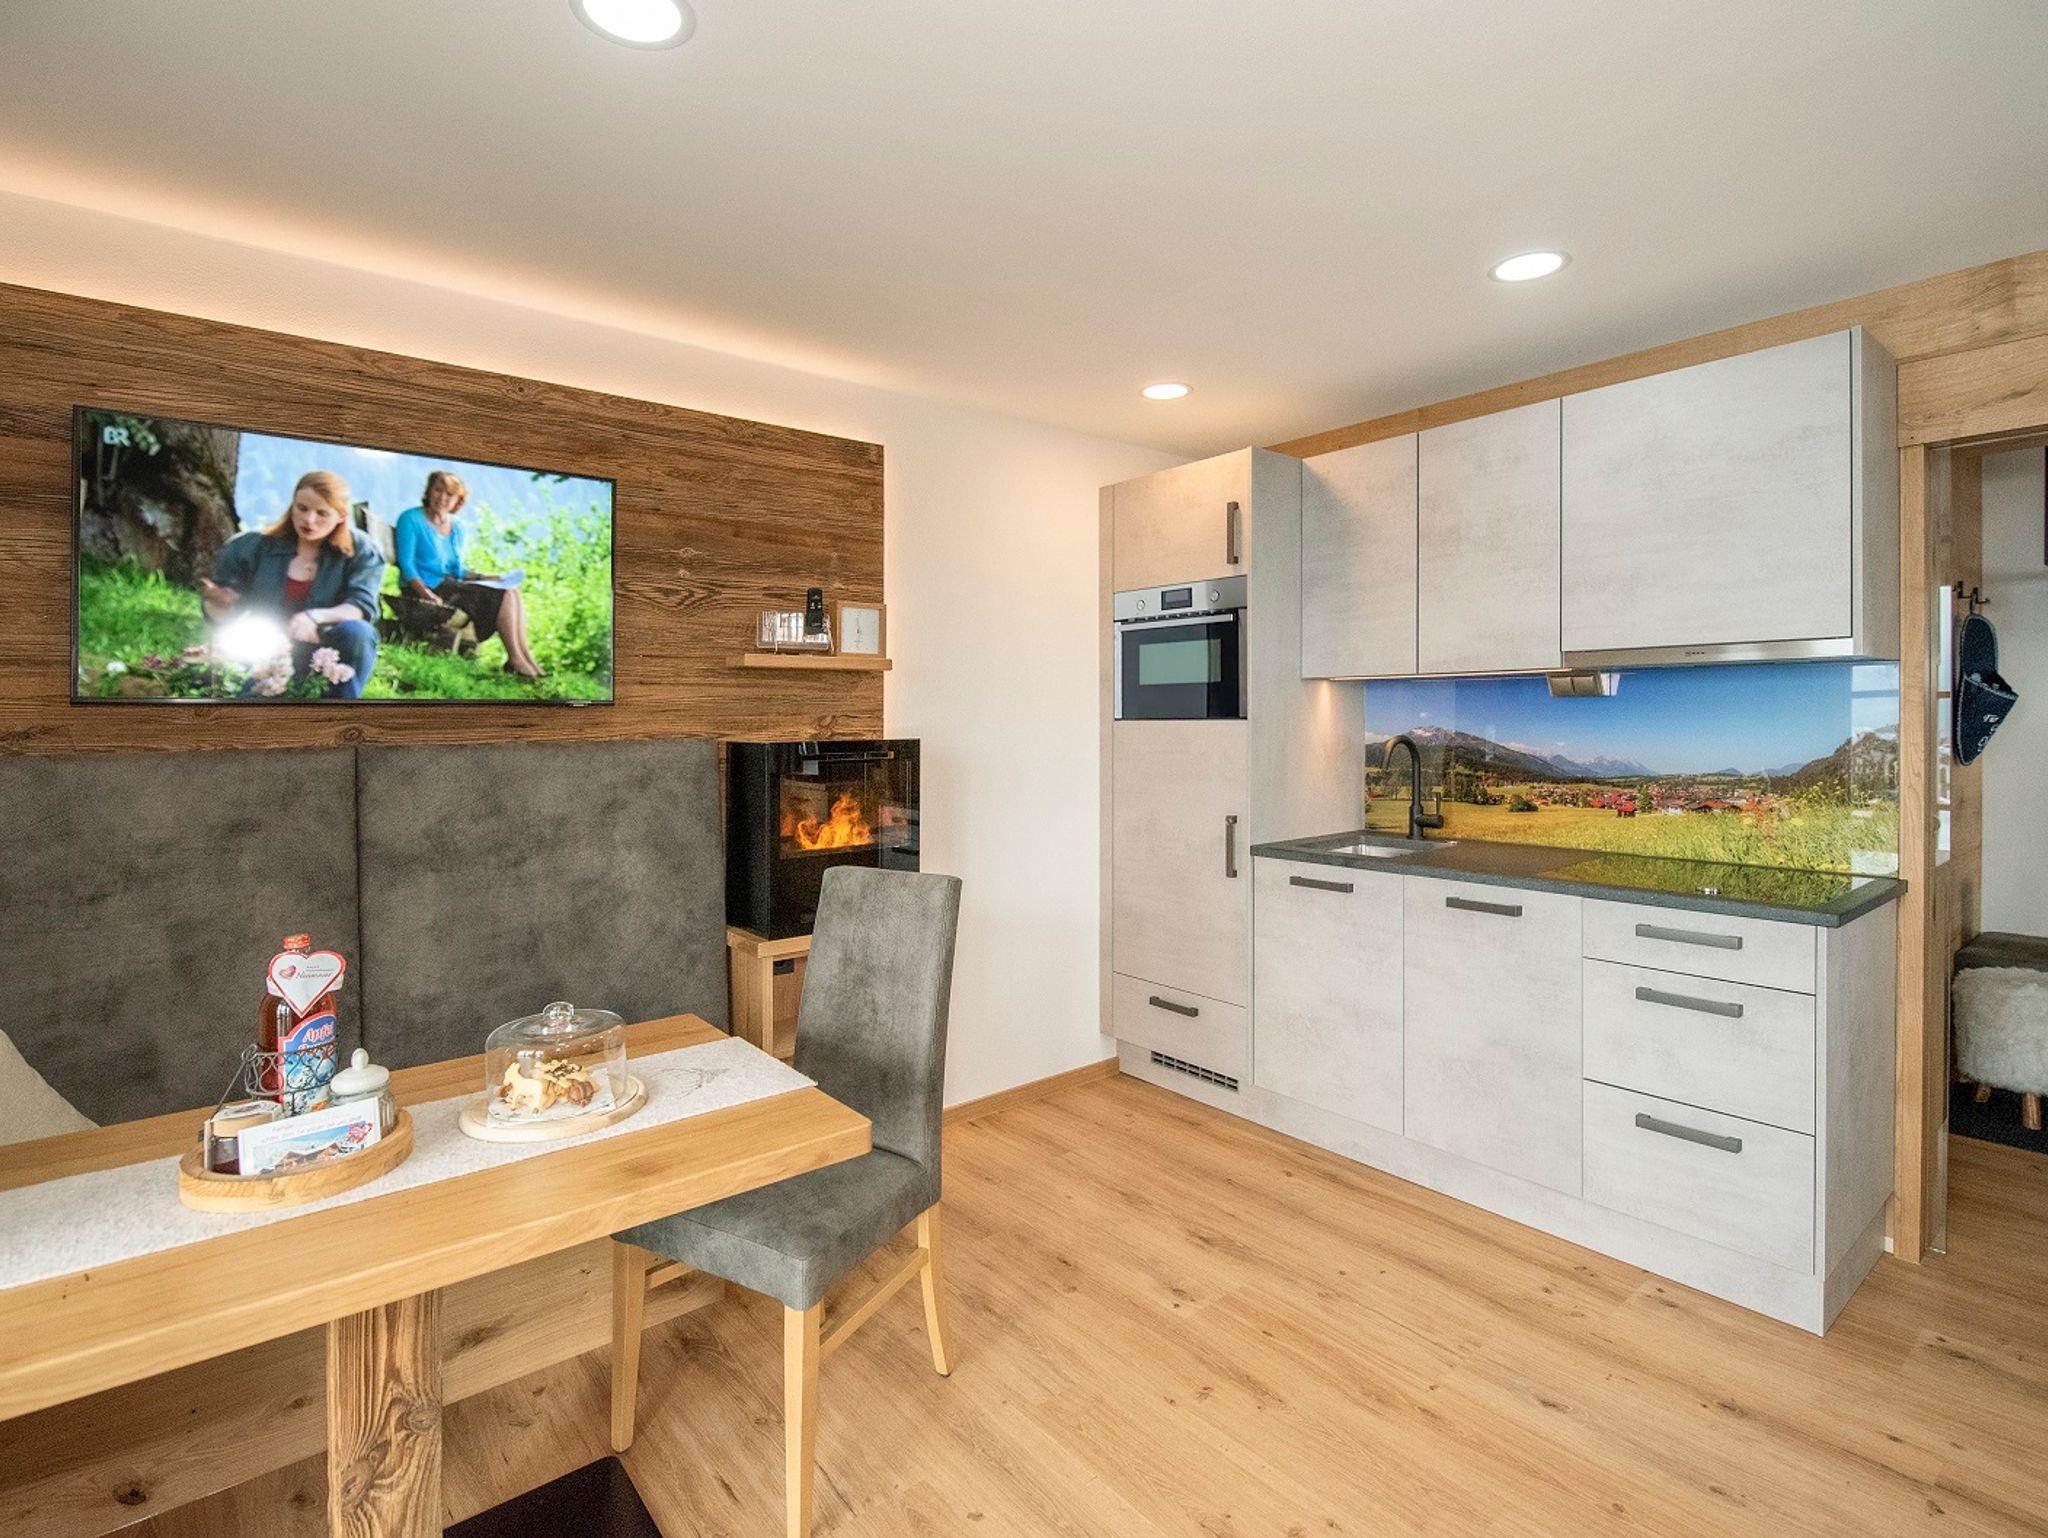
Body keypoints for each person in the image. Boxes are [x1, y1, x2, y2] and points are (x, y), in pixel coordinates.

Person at [199, 470, 382, 699]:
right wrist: (217, 606)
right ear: (292, 505)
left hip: (325, 651)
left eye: (322, 513)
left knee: (359, 633)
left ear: (341, 516)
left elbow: (360, 607)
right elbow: (222, 620)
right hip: (263, 652)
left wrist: (313, 617)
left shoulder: (362, 551)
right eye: (302, 508)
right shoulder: (249, 546)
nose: (309, 520)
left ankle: (340, 709)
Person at [393, 471, 545, 678]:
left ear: (458, 501)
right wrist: (426, 594)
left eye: (450, 494)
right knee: (499, 596)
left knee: (511, 591)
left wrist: (487, 578)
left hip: (450, 586)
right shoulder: (411, 519)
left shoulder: (457, 527)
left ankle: (524, 656)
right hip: (422, 590)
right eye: (438, 490)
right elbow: (407, 565)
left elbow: (458, 571)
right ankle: (517, 660)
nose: (442, 497)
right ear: (428, 491)